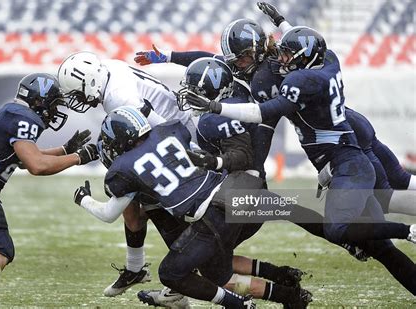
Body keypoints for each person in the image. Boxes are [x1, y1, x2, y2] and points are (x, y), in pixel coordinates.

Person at [183, 26, 416, 294]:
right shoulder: (323, 62)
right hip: (347, 140)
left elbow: (265, 114)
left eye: (288, 55)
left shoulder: (297, 81)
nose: (283, 59)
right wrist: (167, 56)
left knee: (366, 210)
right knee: (380, 239)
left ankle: (408, 231)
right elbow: (310, 47)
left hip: (346, 153)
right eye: (282, 53)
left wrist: (216, 109)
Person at [73, 106, 320, 308]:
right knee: (216, 267)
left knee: (176, 272)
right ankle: (289, 291)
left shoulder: (124, 170)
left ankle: (240, 304)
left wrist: (82, 198)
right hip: (238, 193)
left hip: (214, 214)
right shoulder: (167, 132)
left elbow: (109, 214)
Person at [0, 73, 99, 308]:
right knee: (0, 250)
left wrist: (64, 149)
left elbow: (24, 159)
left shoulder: (13, 112)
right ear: (40, 100)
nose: (55, 110)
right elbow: (36, 166)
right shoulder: (24, 117)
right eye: (54, 103)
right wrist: (78, 157)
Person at [57, 51, 200, 297]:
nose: (76, 100)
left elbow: (160, 131)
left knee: (147, 194)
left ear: (90, 82)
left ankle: (187, 268)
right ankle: (136, 268)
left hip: (179, 130)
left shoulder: (117, 98)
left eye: (78, 93)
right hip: (173, 125)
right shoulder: (108, 69)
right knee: (134, 200)